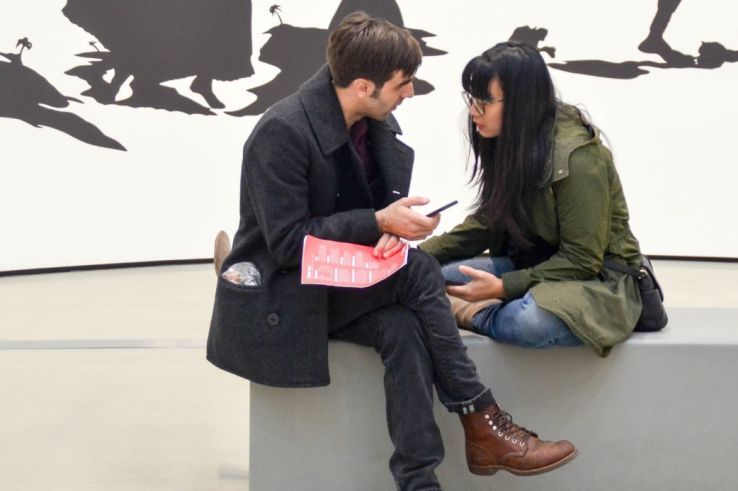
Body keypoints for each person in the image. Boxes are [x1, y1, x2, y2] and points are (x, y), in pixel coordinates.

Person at [206, 14, 576, 491]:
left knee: (403, 327)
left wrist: (393, 228)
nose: (410, 93)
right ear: (364, 86)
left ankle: (419, 482)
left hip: (334, 284)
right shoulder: (281, 132)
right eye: (403, 84)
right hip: (287, 290)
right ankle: (482, 418)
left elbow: (360, 219)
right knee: (419, 272)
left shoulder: (367, 121)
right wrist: (378, 222)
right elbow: (287, 244)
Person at [419, 42, 644, 355]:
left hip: (597, 281)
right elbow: (490, 220)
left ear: (521, 103)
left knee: (528, 321)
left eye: (485, 100)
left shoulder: (578, 157)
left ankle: (477, 313)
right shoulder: (510, 139)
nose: (473, 111)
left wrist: (503, 287)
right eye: (472, 98)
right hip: (532, 267)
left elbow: (582, 260)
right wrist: (418, 256)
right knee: (430, 277)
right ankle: (485, 305)